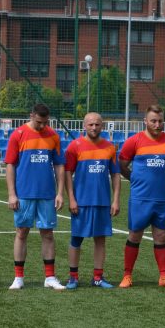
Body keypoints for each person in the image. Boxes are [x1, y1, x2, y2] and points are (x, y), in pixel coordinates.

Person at [118, 105, 165, 288]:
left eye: (160, 121)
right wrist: (136, 179)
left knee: (161, 236)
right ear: (145, 121)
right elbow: (122, 165)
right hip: (140, 198)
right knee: (135, 235)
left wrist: (164, 178)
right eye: (153, 121)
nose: (157, 124)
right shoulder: (134, 141)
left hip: (162, 198)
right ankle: (127, 275)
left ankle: (164, 276)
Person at [4, 103, 65, 290]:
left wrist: (60, 193)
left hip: (47, 194)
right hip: (24, 193)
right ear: (31, 116)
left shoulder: (53, 136)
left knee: (47, 233)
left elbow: (59, 165)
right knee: (21, 233)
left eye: (46, 122)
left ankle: (50, 277)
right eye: (39, 122)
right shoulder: (18, 134)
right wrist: (12, 194)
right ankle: (18, 278)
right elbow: (10, 165)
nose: (42, 126)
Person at [64, 112, 121, 289]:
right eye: (90, 124)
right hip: (81, 202)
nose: (94, 127)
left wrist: (115, 200)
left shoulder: (110, 147)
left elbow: (115, 175)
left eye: (97, 124)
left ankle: (98, 277)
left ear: (102, 126)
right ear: (84, 126)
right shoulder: (74, 146)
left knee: (100, 240)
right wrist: (71, 198)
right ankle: (73, 277)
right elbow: (67, 173)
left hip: (102, 202)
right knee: (76, 239)